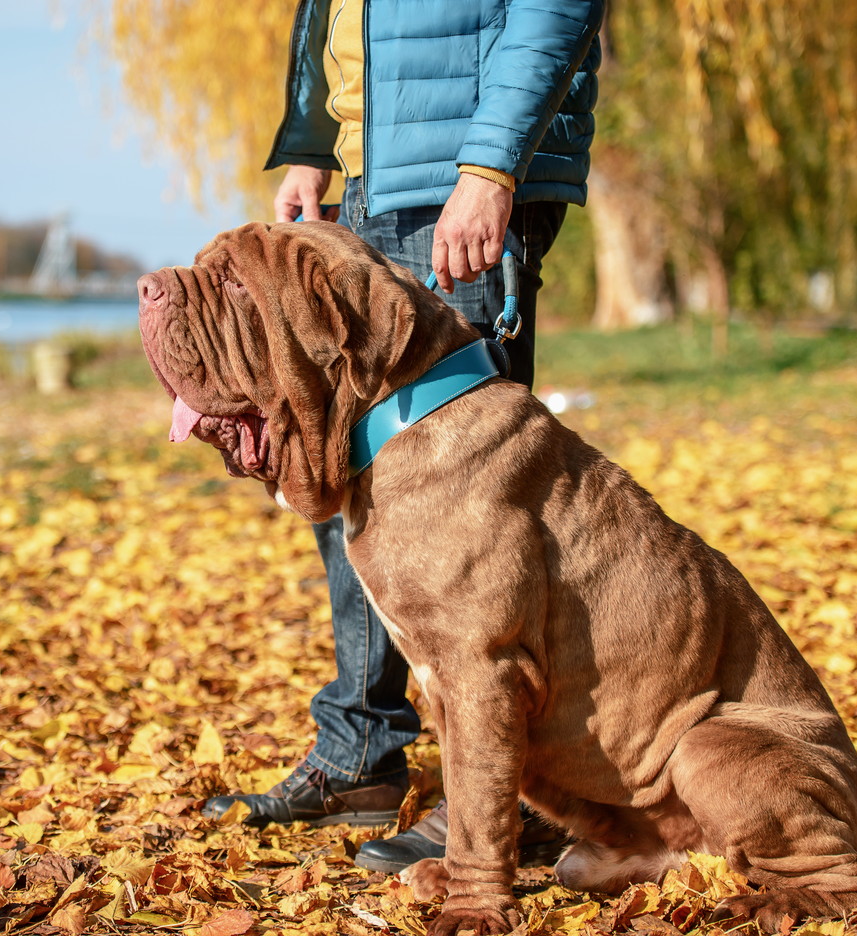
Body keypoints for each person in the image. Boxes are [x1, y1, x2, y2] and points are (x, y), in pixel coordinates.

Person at [202, 0, 605, 873]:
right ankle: (361, 753)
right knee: (342, 466)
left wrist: (491, 168)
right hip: (372, 185)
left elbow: (554, 10)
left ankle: (504, 800)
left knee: (464, 515)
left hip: (456, 182)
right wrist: (313, 144)